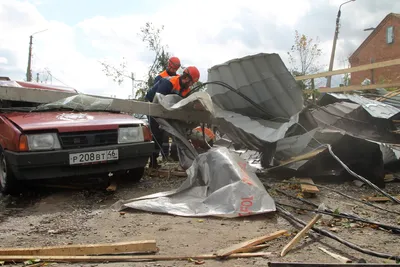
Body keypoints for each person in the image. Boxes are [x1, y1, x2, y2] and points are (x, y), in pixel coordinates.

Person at [145, 66, 200, 169]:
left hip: (168, 109)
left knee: (167, 133)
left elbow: (183, 105)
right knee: (157, 132)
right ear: (187, 78)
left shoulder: (186, 90)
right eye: (191, 82)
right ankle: (153, 161)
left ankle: (164, 158)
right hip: (152, 104)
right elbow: (158, 101)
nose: (191, 85)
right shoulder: (167, 82)